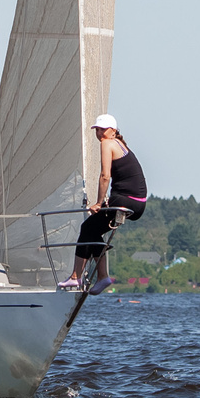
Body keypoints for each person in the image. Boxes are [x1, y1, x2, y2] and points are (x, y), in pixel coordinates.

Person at [63, 114, 147, 292]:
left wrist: (99, 203)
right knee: (92, 230)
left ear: (113, 131)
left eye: (103, 129)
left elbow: (105, 176)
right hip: (137, 202)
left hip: (126, 200)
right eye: (97, 130)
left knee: (87, 229)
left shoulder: (107, 143)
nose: (99, 133)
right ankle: (100, 277)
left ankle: (77, 278)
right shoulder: (120, 145)